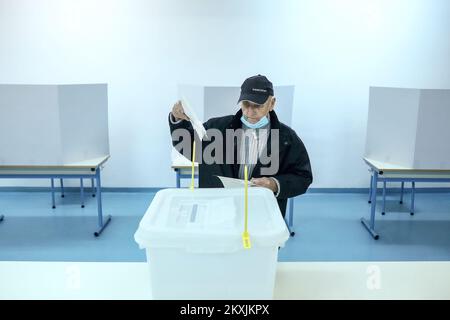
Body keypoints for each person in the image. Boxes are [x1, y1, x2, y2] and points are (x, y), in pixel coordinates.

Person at [169, 74, 312, 217]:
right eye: (246, 104)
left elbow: (302, 176)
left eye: (258, 105)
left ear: (272, 103)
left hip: (262, 213)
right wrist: (177, 119)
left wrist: (274, 184)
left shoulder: (287, 138)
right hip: (219, 210)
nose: (250, 112)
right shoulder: (217, 128)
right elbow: (188, 145)